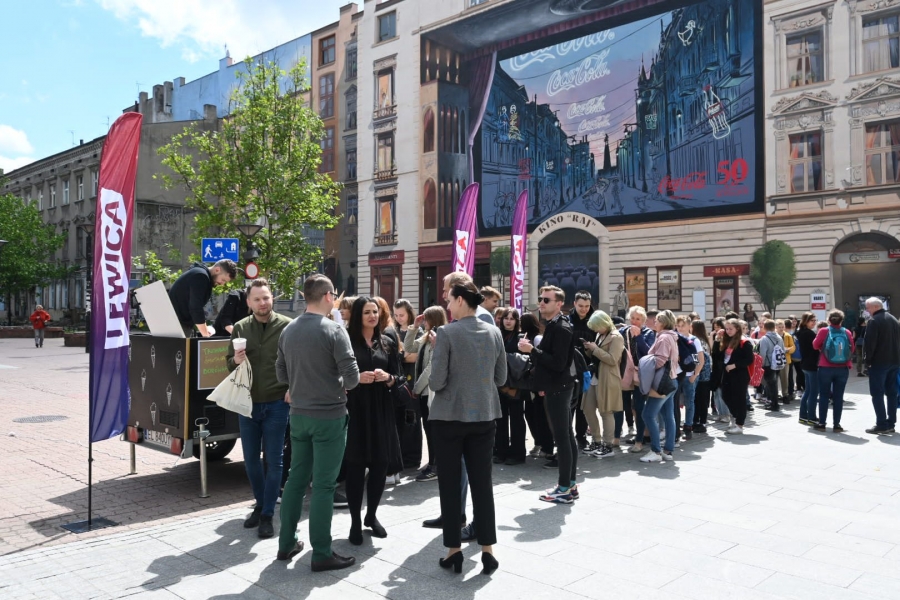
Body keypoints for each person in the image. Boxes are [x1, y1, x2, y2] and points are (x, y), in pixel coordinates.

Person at [276, 275, 360, 571]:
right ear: (327, 296)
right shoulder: (334, 329)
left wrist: (301, 384)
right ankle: (321, 552)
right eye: (334, 295)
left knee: (296, 480)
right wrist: (336, 383)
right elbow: (352, 377)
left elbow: (281, 374)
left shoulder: (288, 329)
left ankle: (286, 543)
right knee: (324, 485)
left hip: (299, 415)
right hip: (328, 415)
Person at [429, 280, 506, 576]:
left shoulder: (446, 333)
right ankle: (487, 550)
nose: (448, 305)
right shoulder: (494, 331)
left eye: (449, 300)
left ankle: (454, 550)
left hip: (450, 417)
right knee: (483, 484)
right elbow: (501, 378)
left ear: (460, 300)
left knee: (450, 485)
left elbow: (437, 381)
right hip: (484, 415)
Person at [225, 280, 291, 539]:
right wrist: (235, 359)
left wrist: (292, 388)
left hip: (277, 402)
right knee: (251, 460)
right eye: (257, 299)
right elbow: (228, 364)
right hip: (248, 402)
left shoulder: (287, 326)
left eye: (266, 298)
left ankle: (266, 514)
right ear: (249, 302)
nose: (263, 303)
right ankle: (261, 504)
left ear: (272, 298)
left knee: (274, 460)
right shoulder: (241, 327)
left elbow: (297, 361)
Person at [344, 297, 404, 544]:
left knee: (380, 464)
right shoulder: (346, 341)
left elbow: (399, 376)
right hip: (355, 409)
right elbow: (334, 374)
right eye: (367, 312)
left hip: (381, 409)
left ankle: (371, 515)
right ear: (358, 315)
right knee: (355, 466)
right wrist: (356, 378)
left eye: (375, 312)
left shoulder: (387, 342)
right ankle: (355, 522)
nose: (372, 316)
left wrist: (388, 377)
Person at [519, 286, 578, 504]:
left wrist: (532, 351)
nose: (541, 303)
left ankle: (564, 488)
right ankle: (570, 485)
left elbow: (558, 363)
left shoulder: (561, 327)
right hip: (557, 386)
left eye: (546, 300)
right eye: (541, 299)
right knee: (566, 436)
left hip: (559, 387)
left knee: (562, 438)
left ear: (559, 304)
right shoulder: (555, 324)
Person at [407, 306, 448, 481]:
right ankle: (433, 463)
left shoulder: (440, 338)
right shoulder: (426, 337)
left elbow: (432, 367)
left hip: (431, 392)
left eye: (426, 319)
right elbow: (408, 347)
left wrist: (416, 388)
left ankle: (436, 466)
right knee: (429, 429)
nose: (424, 322)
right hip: (425, 392)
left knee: (433, 430)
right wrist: (414, 327)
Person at [581, 310, 624, 458]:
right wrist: (588, 349)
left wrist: (595, 349)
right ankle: (596, 441)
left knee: (606, 411)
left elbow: (612, 359)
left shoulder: (616, 337)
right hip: (595, 376)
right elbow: (596, 356)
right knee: (587, 408)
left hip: (608, 378)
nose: (595, 330)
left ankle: (608, 445)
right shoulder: (601, 334)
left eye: (597, 327)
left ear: (604, 323)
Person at [639, 310, 679, 463]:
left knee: (648, 414)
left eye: (656, 320)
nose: (654, 322)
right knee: (668, 416)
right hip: (671, 380)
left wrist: (646, 369)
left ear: (662, 322)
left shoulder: (663, 338)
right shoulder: (671, 336)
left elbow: (660, 360)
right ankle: (668, 451)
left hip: (661, 383)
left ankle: (656, 450)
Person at [391, 299, 422, 476]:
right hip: (398, 381)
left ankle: (412, 457)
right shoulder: (393, 331)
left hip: (411, 380)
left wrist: (400, 355)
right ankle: (401, 455)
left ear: (409, 313)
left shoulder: (417, 331)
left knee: (412, 419)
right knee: (399, 419)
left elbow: (414, 356)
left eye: (401, 315)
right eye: (396, 315)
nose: (399, 318)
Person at [168, 259, 237, 337]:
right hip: (178, 326)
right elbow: (196, 308)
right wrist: (205, 335)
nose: (222, 284)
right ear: (217, 270)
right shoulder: (201, 276)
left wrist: (205, 329)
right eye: (223, 280)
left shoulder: (198, 273)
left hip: (177, 323)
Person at [620, 306, 656, 453]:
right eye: (632, 318)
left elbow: (648, 352)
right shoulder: (623, 331)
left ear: (643, 320)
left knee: (639, 406)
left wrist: (639, 336)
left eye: (638, 319)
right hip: (625, 374)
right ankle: (629, 433)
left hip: (641, 375)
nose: (634, 321)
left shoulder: (648, 333)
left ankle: (639, 440)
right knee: (626, 405)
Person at [812, 309, 855, 432]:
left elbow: (815, 345)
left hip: (825, 367)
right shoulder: (846, 332)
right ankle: (837, 425)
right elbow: (851, 349)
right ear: (841, 320)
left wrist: (824, 349)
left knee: (824, 395)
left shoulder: (824, 331)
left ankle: (822, 423)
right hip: (842, 368)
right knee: (838, 397)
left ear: (828, 320)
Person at [494, 307, 527, 465]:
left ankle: (517, 453)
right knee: (499, 419)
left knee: (516, 420)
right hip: (498, 383)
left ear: (516, 321)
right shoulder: (497, 335)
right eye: (505, 318)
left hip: (515, 384)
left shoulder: (521, 337)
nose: (508, 321)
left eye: (512, 318)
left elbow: (525, 361)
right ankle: (500, 452)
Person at [863, 297, 900, 434]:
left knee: (877, 393)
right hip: (894, 361)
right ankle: (891, 422)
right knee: (892, 393)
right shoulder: (893, 319)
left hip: (879, 363)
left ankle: (882, 424)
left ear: (875, 307)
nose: (867, 310)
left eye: (868, 307)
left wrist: (868, 362)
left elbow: (870, 343)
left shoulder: (874, 321)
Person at [714, 318, 755, 434]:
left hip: (740, 374)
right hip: (727, 373)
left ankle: (739, 424)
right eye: (726, 329)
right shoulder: (727, 340)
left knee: (740, 398)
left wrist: (735, 365)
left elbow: (749, 359)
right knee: (726, 395)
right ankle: (735, 416)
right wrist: (717, 340)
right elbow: (717, 356)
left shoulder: (744, 342)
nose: (728, 331)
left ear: (737, 329)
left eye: (730, 329)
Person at [521, 312, 552, 458]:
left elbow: (541, 361)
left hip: (537, 383)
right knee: (531, 414)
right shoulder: (526, 337)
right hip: (531, 383)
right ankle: (540, 443)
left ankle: (545, 445)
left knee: (540, 415)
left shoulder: (536, 339)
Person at [568, 290, 595, 451]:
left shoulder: (594, 321)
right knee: (569, 404)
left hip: (587, 368)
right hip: (570, 368)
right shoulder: (567, 320)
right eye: (580, 306)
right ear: (574, 304)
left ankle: (581, 436)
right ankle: (568, 436)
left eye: (586, 306)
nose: (584, 309)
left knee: (583, 406)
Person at [675, 315, 704, 438]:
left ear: (689, 326)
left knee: (689, 401)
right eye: (678, 326)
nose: (680, 328)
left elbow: (700, 360)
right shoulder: (675, 338)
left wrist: (694, 375)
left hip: (689, 376)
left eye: (683, 325)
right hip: (677, 375)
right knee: (675, 402)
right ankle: (676, 426)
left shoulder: (694, 340)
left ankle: (688, 426)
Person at [795, 312, 820, 425]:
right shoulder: (809, 334)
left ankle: (803, 416)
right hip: (812, 365)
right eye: (812, 321)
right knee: (813, 392)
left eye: (815, 320)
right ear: (805, 321)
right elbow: (816, 348)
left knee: (808, 391)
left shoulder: (800, 332)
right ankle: (811, 417)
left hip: (805, 364)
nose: (814, 323)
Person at [758, 320, 786, 412]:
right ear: (774, 327)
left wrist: (761, 365)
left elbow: (762, 353)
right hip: (777, 364)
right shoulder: (779, 337)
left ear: (765, 327)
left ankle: (774, 404)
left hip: (768, 364)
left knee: (770, 385)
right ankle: (774, 402)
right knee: (774, 383)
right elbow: (783, 350)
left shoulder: (764, 339)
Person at [691, 320, 713, 433]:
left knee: (698, 399)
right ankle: (701, 421)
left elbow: (698, 359)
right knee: (703, 399)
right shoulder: (705, 340)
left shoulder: (696, 340)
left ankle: (697, 421)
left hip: (700, 372)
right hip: (706, 373)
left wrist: (694, 372)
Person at [775, 319, 796, 404]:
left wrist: (788, 350)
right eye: (779, 327)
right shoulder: (774, 335)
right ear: (776, 327)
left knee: (784, 378)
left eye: (782, 327)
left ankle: (785, 395)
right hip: (775, 360)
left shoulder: (788, 336)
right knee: (774, 378)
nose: (781, 328)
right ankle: (774, 395)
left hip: (785, 360)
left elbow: (793, 347)